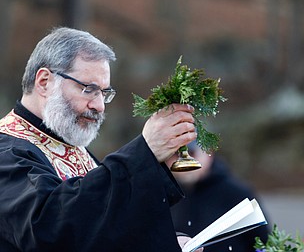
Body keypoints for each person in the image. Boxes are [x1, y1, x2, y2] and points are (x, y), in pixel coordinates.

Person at [0, 27, 202, 252]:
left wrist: (166, 244)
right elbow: (50, 231)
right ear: (45, 81)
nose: (99, 106)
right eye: (89, 89)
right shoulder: (6, 152)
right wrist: (144, 151)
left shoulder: (72, 147)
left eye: (104, 93)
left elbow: (100, 231)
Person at [169, 142, 270, 252]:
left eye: (191, 153)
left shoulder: (236, 193)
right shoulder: (162, 193)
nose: (183, 161)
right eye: (175, 155)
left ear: (209, 153)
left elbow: (264, 243)